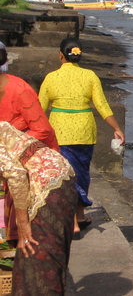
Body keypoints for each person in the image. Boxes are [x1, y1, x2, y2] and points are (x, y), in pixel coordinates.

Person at [38, 37, 125, 231]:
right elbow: (102, 106)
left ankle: (74, 222)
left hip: (59, 132)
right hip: (84, 131)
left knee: (65, 175)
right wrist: (116, 128)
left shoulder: (51, 78)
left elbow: (39, 109)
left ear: (61, 55)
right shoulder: (90, 76)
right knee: (82, 173)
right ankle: (79, 214)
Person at [0, 121, 77, 296]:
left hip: (50, 184)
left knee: (38, 253)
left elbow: (16, 174)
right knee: (33, 255)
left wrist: (22, 223)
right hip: (59, 178)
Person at [0, 41, 61, 245]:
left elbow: (42, 129)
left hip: (25, 162)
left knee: (24, 229)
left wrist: (13, 153)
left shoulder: (19, 89)